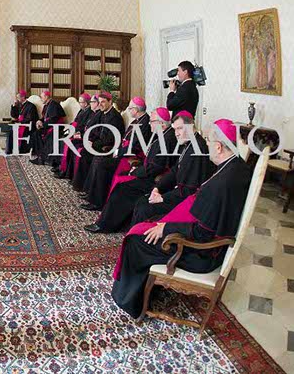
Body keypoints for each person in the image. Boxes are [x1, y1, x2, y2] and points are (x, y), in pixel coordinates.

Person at [111, 119, 251, 319]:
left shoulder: (222, 184)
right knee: (154, 219)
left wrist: (166, 228)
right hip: (209, 241)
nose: (206, 146)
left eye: (209, 142)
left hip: (202, 254)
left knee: (137, 241)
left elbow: (202, 233)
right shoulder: (237, 166)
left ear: (219, 147)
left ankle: (131, 303)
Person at [85, 107, 177, 233]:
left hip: (155, 181)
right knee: (121, 184)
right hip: (150, 174)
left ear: (161, 124)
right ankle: (113, 220)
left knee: (122, 189)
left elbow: (156, 167)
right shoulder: (164, 135)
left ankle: (104, 225)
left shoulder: (166, 140)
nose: (149, 124)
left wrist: (135, 171)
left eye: (152, 121)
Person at [131, 111, 215, 225]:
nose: (176, 134)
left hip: (188, 203)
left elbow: (190, 190)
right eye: (175, 129)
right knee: (143, 201)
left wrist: (163, 198)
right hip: (179, 195)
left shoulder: (197, 150)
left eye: (179, 128)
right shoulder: (188, 144)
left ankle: (137, 234)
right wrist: (158, 187)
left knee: (145, 208)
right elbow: (175, 170)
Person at [79, 97, 150, 211]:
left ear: (136, 110)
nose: (129, 110)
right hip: (122, 151)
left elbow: (135, 146)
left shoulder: (145, 123)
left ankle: (98, 202)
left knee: (101, 164)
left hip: (130, 157)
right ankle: (91, 193)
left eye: (130, 108)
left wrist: (117, 152)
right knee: (98, 158)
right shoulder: (138, 120)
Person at [71, 92, 124, 191]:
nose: (100, 105)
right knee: (83, 152)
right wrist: (91, 140)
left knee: (85, 154)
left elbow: (110, 139)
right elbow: (97, 131)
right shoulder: (103, 114)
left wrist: (93, 144)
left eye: (103, 102)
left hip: (108, 148)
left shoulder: (114, 117)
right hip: (99, 144)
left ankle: (86, 188)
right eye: (99, 102)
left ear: (110, 102)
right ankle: (83, 186)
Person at [55, 93, 94, 176]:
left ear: (85, 103)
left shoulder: (90, 112)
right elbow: (76, 121)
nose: (79, 104)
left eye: (80, 102)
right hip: (75, 130)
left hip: (80, 134)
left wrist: (75, 131)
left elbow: (84, 126)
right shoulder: (82, 110)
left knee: (67, 142)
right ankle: (60, 165)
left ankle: (65, 170)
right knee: (61, 139)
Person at [30, 91, 66, 165]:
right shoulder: (47, 105)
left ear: (46, 97)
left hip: (56, 127)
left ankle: (43, 159)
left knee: (49, 137)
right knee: (36, 134)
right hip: (49, 125)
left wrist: (43, 125)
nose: (41, 99)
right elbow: (45, 117)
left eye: (41, 97)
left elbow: (54, 119)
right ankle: (39, 155)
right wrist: (39, 121)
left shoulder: (54, 105)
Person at [5, 90, 39, 155]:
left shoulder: (31, 106)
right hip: (20, 124)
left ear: (23, 97)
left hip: (28, 126)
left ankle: (18, 150)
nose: (17, 99)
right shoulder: (20, 105)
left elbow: (30, 118)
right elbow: (14, 115)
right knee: (10, 131)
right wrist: (14, 106)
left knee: (12, 131)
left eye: (18, 98)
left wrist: (20, 122)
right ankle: (10, 150)